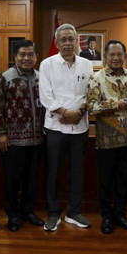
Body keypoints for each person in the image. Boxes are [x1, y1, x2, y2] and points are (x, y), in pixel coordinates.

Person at [39, 24, 93, 231]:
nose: (68, 43)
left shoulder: (87, 65)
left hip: (80, 127)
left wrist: (79, 112)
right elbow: (45, 94)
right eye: (63, 39)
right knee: (54, 172)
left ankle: (74, 212)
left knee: (77, 172)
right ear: (56, 42)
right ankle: (53, 214)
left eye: (71, 39)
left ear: (77, 41)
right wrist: (64, 112)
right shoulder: (47, 64)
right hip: (55, 127)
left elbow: (91, 93)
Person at [86, 39, 127, 234]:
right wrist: (115, 105)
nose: (116, 58)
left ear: (124, 56)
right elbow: (91, 107)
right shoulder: (96, 78)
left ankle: (121, 214)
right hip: (105, 140)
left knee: (124, 180)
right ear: (106, 57)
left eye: (119, 55)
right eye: (112, 55)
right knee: (105, 181)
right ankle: (106, 217)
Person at [0, 39, 46, 232]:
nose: (26, 58)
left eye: (30, 54)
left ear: (36, 56)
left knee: (32, 179)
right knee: (12, 181)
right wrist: (0, 134)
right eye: (22, 54)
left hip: (37, 139)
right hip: (12, 140)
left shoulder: (42, 77)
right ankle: (13, 215)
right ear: (15, 56)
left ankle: (28, 211)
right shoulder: (5, 77)